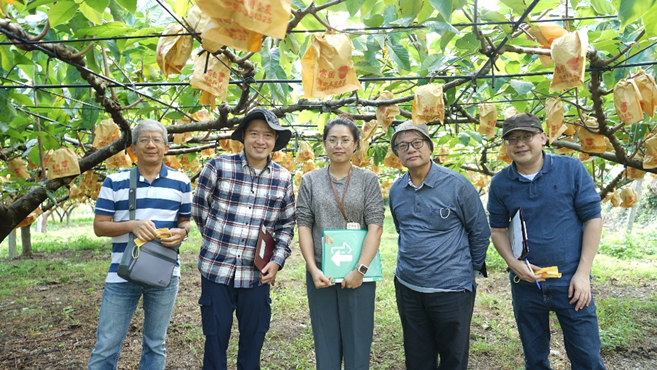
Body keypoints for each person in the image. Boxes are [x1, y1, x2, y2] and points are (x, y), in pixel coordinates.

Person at [487, 113, 606, 369]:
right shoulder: (500, 183)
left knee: (586, 357)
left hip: (571, 281)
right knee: (535, 358)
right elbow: (497, 230)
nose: (519, 144)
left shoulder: (570, 169)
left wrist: (583, 274)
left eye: (527, 136)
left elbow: (593, 220)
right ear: (506, 146)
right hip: (527, 282)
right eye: (512, 139)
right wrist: (513, 263)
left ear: (542, 138)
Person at [192, 108, 296, 370]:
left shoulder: (283, 178)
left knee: (253, 340)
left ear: (274, 141)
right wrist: (219, 240)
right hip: (217, 269)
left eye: (268, 135)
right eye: (254, 134)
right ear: (243, 136)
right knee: (215, 339)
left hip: (256, 275)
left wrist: (277, 261)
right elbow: (199, 210)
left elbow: (286, 225)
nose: (260, 141)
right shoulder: (218, 166)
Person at [88, 119, 192, 370]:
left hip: (164, 274)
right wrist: (131, 225)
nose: (151, 145)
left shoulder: (181, 182)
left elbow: (186, 222)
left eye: (157, 140)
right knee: (106, 345)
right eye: (144, 139)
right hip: (121, 275)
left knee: (156, 344)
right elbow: (100, 227)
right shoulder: (115, 181)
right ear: (133, 148)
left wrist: (182, 233)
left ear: (166, 147)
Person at [388, 121, 490, 370]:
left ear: (430, 147)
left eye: (416, 143)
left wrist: (465, 269)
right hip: (409, 287)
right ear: (398, 155)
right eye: (402, 145)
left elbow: (479, 231)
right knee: (417, 356)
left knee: (453, 357)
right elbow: (403, 230)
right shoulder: (396, 190)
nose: (410, 149)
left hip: (451, 289)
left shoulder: (457, 185)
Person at [296, 115, 385, 370]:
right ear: (324, 144)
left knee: (358, 340)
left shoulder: (368, 180)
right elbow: (304, 225)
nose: (339, 145)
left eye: (345, 140)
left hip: (359, 273)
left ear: (356, 144)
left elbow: (376, 227)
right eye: (332, 139)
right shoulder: (310, 180)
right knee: (325, 339)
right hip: (321, 272)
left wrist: (360, 270)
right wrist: (313, 269)